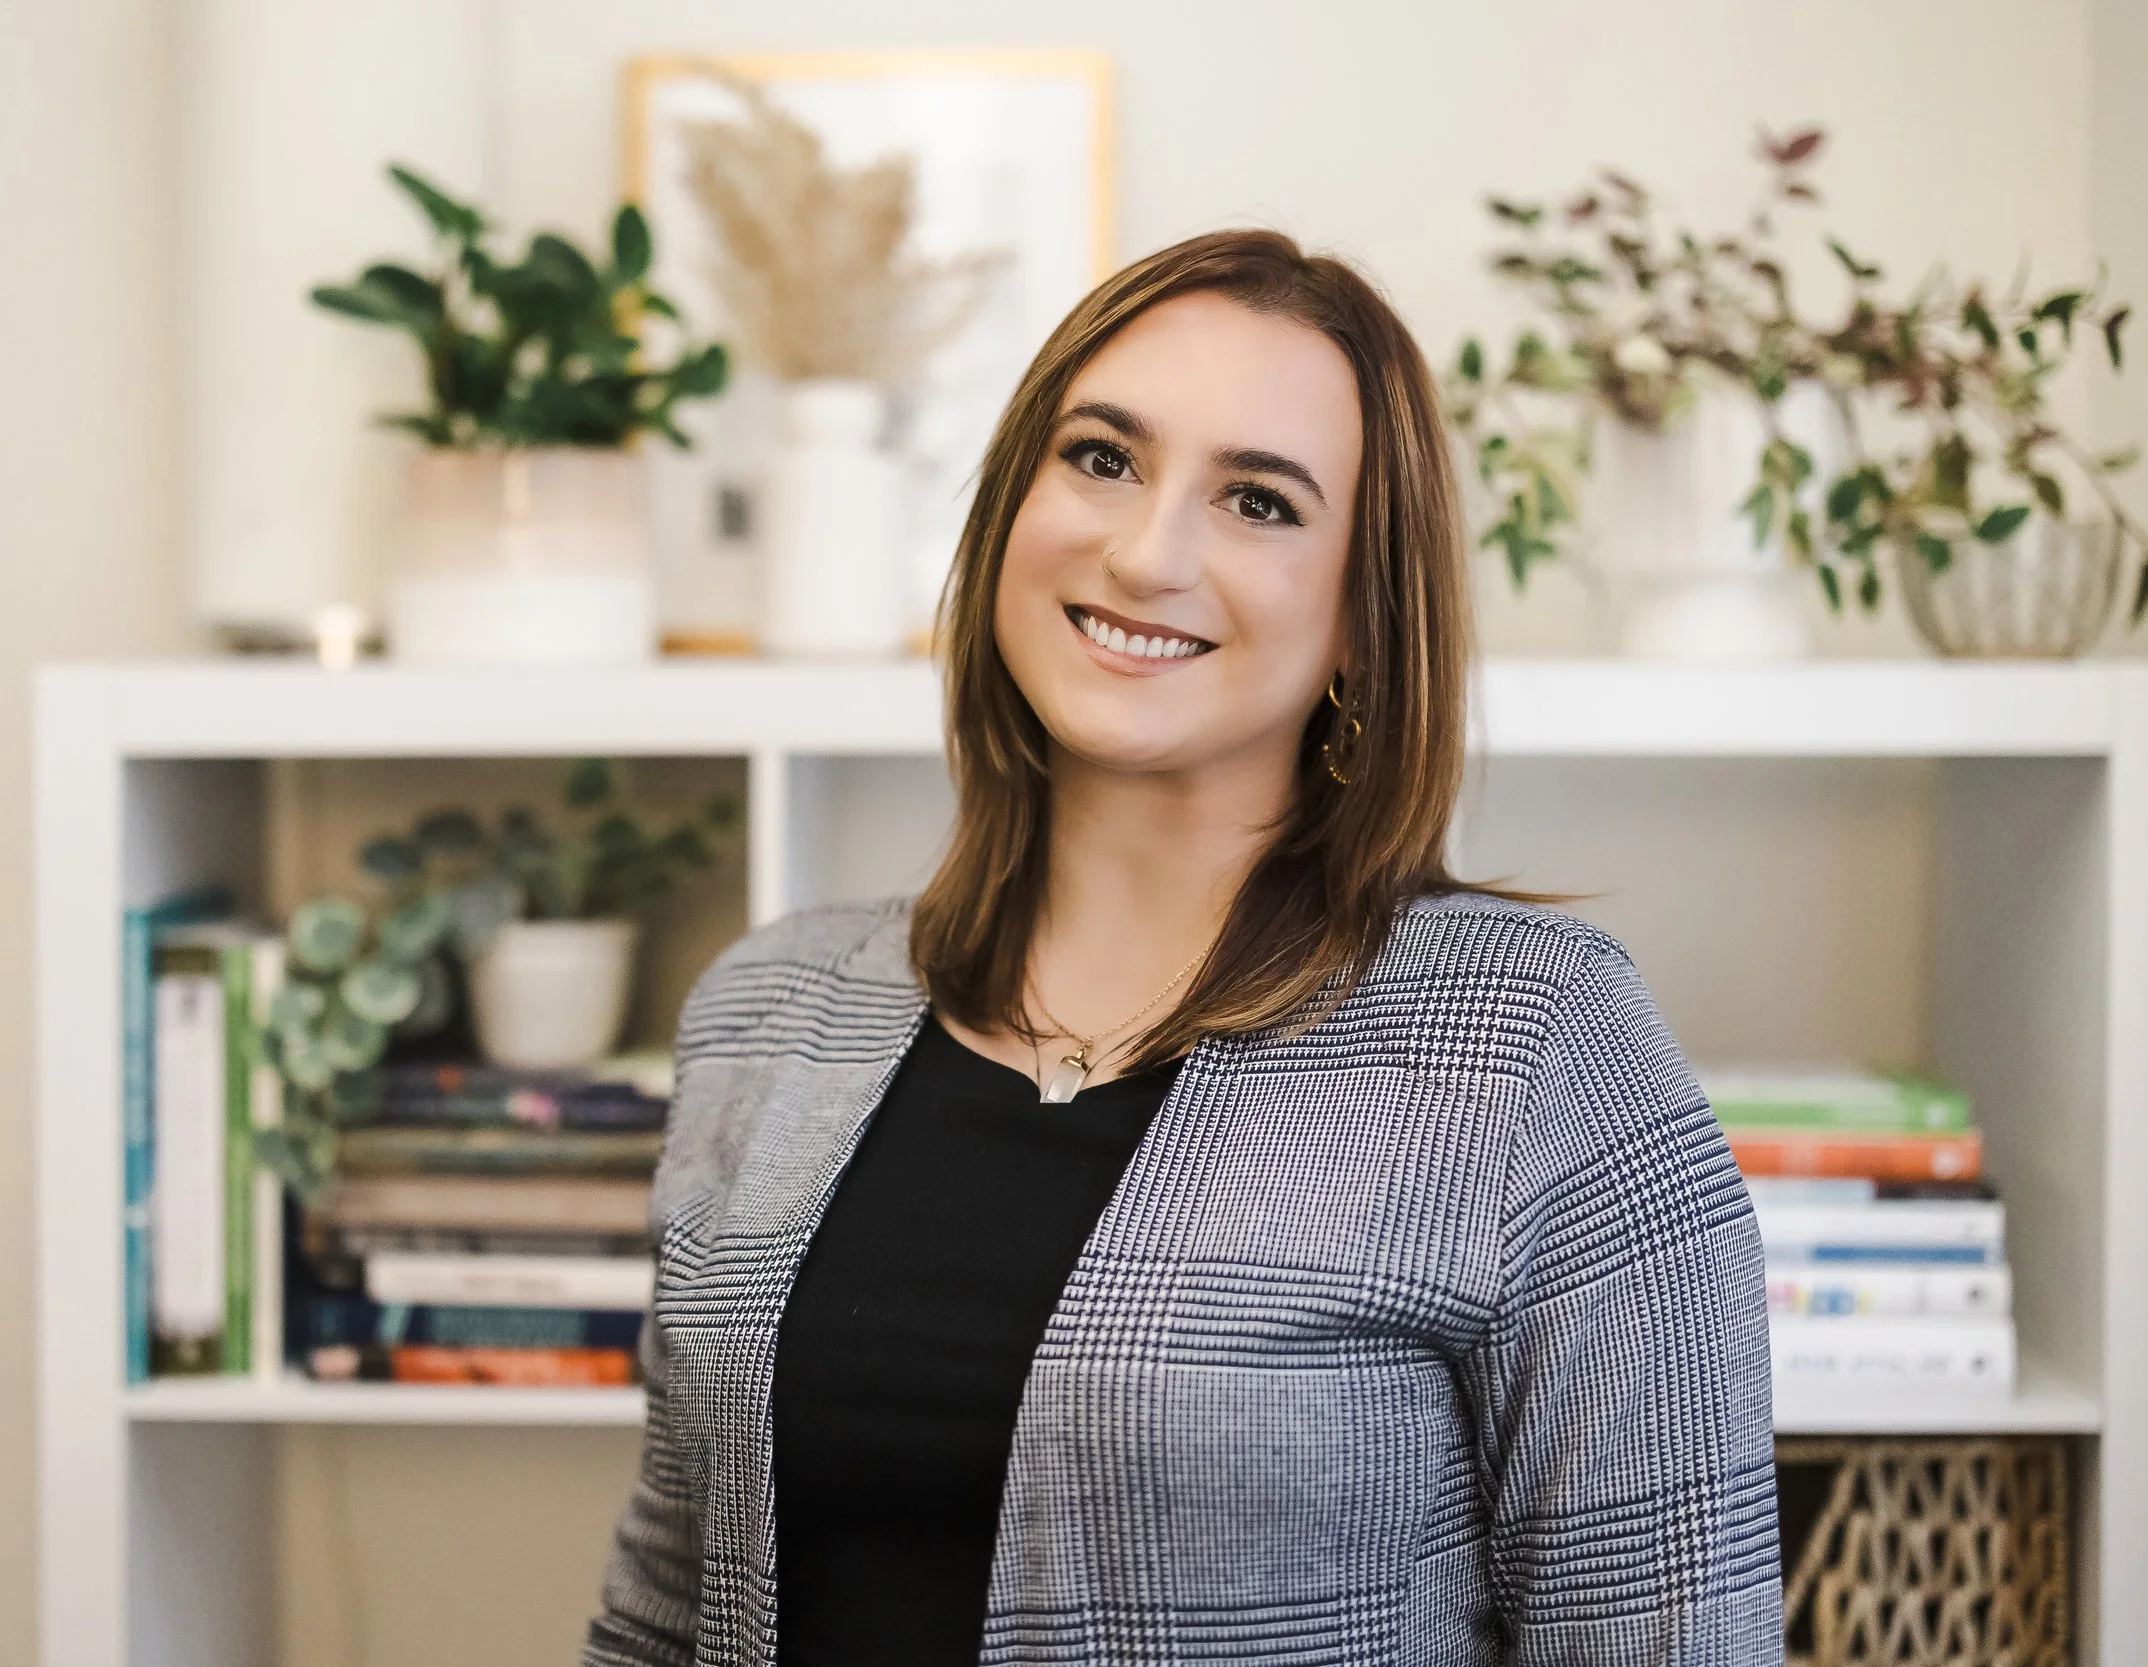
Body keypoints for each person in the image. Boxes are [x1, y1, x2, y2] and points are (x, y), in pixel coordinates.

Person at [583, 229, 1778, 1667]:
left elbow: (1668, 1635)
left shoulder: (1535, 1050)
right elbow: (665, 1609)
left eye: (1259, 501)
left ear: (1363, 616)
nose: (1148, 553)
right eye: (1102, 458)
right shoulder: (766, 1010)